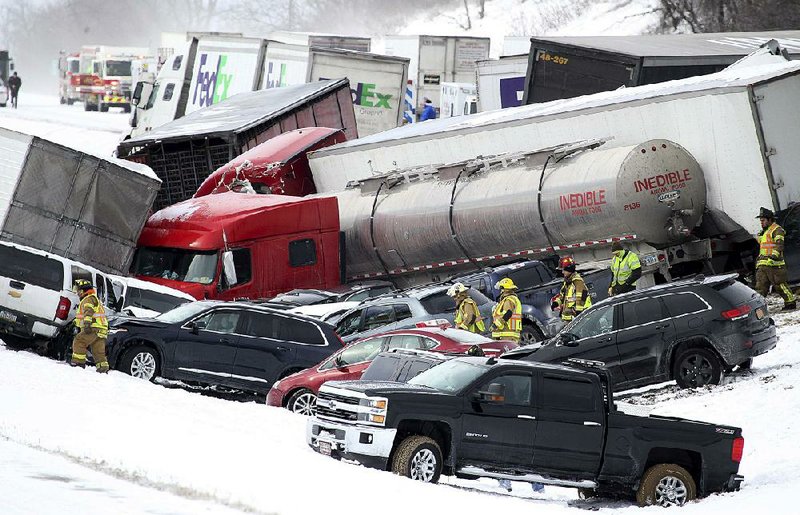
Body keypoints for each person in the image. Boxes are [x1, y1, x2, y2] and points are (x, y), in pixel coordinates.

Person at [755, 207, 796, 310]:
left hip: (775, 265)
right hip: (763, 264)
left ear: (770, 220)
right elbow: (763, 245)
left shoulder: (777, 230)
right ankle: (757, 307)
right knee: (760, 287)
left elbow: (779, 244)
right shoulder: (764, 231)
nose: (761, 222)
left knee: (780, 285)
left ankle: (790, 303)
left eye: (763, 220)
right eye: (760, 221)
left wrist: (774, 255)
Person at [70, 279, 109, 373]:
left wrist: (87, 323)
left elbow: (88, 311)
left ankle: (78, 363)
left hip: (92, 327)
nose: (77, 293)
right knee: (98, 351)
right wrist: (76, 323)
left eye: (78, 290)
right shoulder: (94, 298)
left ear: (83, 290)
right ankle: (103, 368)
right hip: (101, 329)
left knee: (79, 341)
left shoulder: (88, 299)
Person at [551, 256, 592, 322]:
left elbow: (581, 296)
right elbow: (562, 296)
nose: (562, 272)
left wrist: (579, 312)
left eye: (564, 270)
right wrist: (556, 303)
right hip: (569, 318)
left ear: (569, 269)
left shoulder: (577, 281)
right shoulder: (567, 282)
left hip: (579, 318)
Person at [491, 278, 522, 343]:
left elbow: (508, 314)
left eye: (501, 289)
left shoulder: (509, 300)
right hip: (508, 333)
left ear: (503, 289)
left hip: (507, 334)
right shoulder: (511, 299)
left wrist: (496, 325)